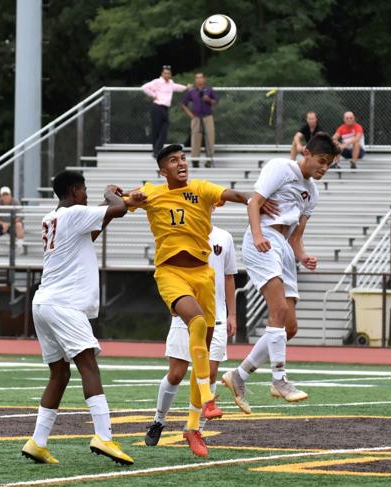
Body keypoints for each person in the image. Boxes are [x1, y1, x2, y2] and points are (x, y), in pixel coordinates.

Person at [127, 144, 277, 458]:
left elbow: (234, 195)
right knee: (182, 360)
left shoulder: (203, 195)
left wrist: (256, 200)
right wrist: (120, 193)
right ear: (162, 169)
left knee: (203, 358)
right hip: (171, 274)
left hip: (203, 282)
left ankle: (193, 428)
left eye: (183, 158)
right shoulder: (151, 192)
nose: (181, 163)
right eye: (173, 160)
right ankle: (190, 406)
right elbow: (113, 200)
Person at [22, 170, 146, 465]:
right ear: (75, 190)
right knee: (88, 365)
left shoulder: (52, 217)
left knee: (60, 374)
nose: (87, 195)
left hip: (43, 303)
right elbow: (116, 209)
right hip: (64, 305)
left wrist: (122, 200)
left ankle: (37, 442)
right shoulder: (74, 212)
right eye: (85, 190)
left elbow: (95, 229)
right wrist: (110, 192)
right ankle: (104, 436)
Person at [222, 132, 339, 414]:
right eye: (321, 161)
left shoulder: (313, 192)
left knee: (290, 327)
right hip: (263, 241)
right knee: (277, 309)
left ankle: (238, 376)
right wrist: (258, 234)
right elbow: (254, 202)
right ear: (306, 153)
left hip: (283, 248)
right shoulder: (281, 167)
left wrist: (303, 256)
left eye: (329, 165)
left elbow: (296, 236)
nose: (324, 168)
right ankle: (279, 380)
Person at [144, 224, 237, 448]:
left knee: (210, 373)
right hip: (186, 314)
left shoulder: (224, 237)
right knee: (176, 373)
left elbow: (229, 277)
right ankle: (158, 420)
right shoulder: (182, 232)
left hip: (217, 317)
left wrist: (232, 313)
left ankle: (195, 429)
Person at [142, 65, 191, 158]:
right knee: (156, 130)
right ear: (162, 74)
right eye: (165, 73)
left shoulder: (171, 83)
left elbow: (177, 87)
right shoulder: (157, 82)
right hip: (157, 107)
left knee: (164, 130)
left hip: (165, 108)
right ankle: (156, 151)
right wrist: (154, 95)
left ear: (170, 74)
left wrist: (186, 87)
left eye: (168, 73)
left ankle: (158, 149)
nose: (167, 75)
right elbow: (144, 87)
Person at [181, 73, 218, 168]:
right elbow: (183, 103)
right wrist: (190, 115)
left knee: (210, 138)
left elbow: (215, 102)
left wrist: (208, 99)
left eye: (201, 77)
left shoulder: (209, 90)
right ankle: (195, 160)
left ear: (204, 79)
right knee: (195, 138)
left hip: (207, 117)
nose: (199, 79)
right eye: (197, 78)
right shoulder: (192, 91)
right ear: (195, 80)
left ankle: (209, 160)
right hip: (196, 117)